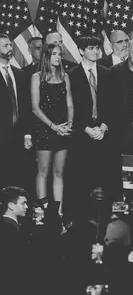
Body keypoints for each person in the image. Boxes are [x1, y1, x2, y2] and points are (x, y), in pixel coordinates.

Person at [68, 36, 117, 210]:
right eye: (90, 48)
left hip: (104, 134)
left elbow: (113, 105)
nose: (95, 51)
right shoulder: (71, 75)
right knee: (82, 181)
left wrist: (103, 127)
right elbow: (70, 107)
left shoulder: (108, 73)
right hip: (82, 135)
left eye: (98, 47)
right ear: (81, 51)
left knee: (106, 181)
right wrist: (86, 129)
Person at [31, 44, 73, 214]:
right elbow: (35, 108)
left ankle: (58, 212)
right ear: (46, 57)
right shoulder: (37, 77)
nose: (58, 57)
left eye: (59, 54)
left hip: (63, 129)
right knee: (43, 171)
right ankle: (43, 211)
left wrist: (69, 125)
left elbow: (70, 104)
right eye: (54, 54)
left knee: (59, 172)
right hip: (45, 129)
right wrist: (53, 127)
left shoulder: (64, 76)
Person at [0, 34, 31, 190]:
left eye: (10, 45)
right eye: (5, 46)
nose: (10, 48)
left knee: (19, 176)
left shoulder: (20, 74)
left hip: (19, 136)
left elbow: (25, 107)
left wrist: (27, 134)